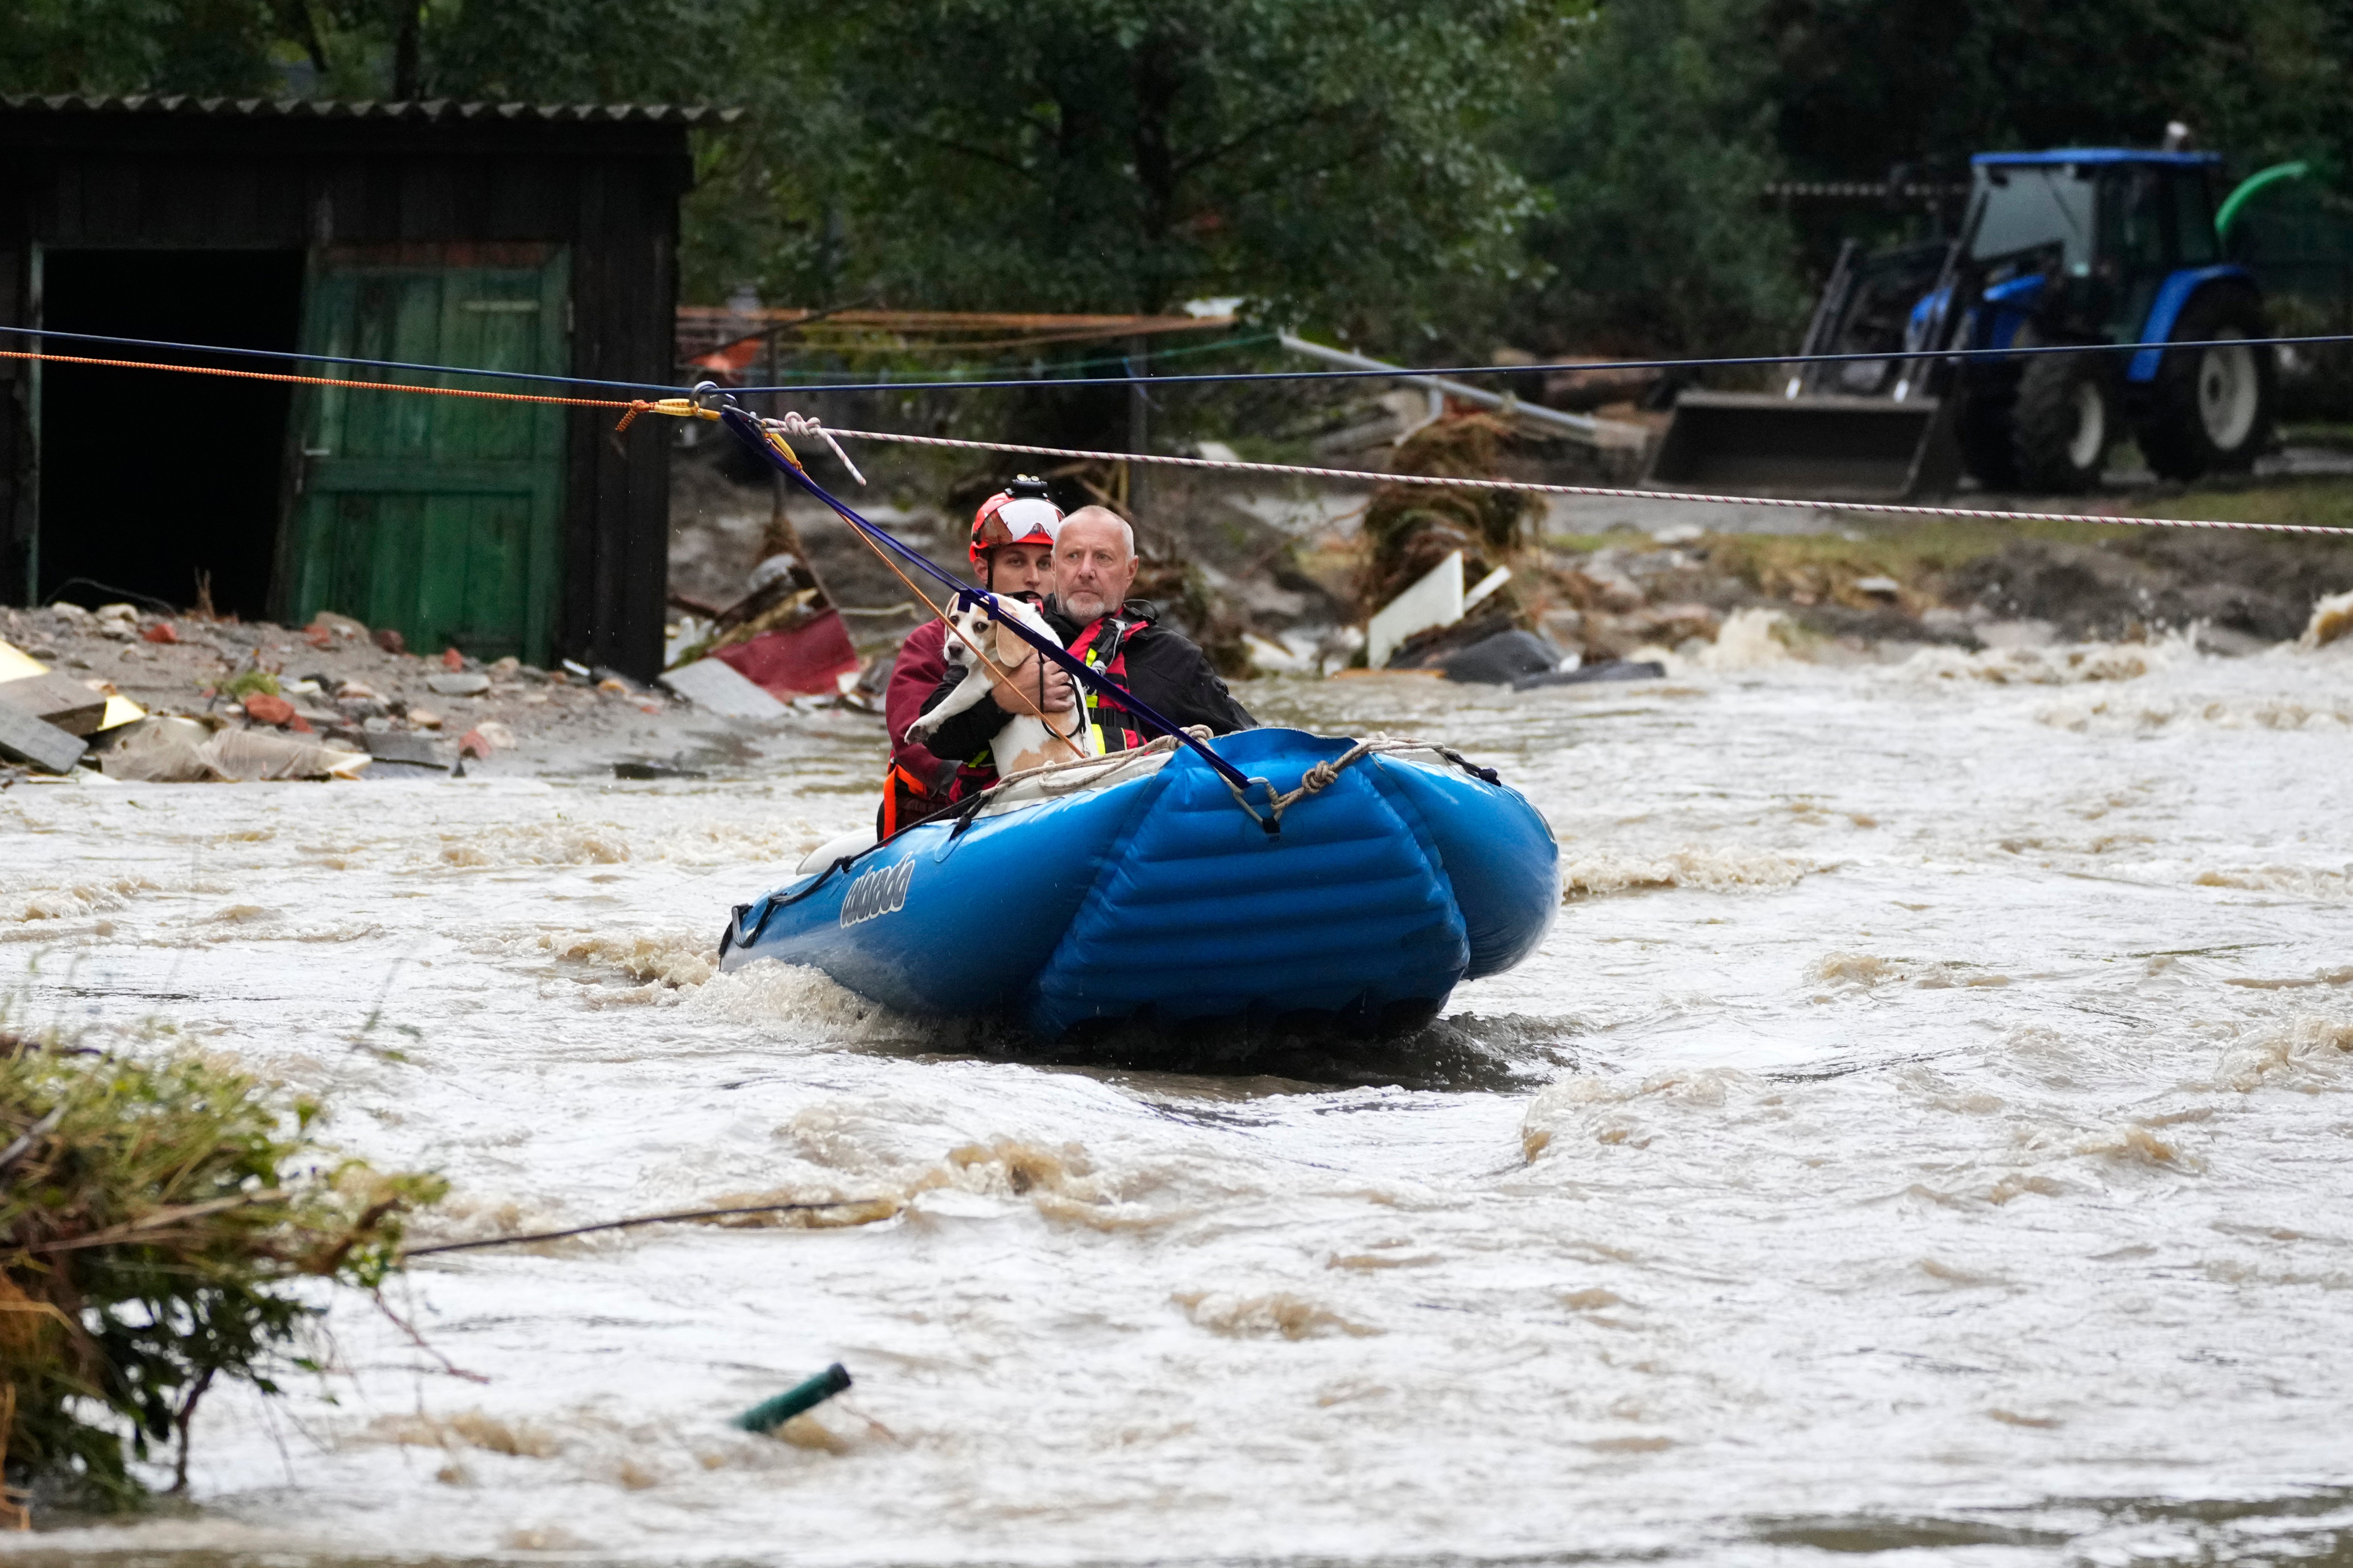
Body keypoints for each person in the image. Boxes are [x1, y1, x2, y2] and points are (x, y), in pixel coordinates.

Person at [917, 504, 1253, 795]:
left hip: (1126, 817)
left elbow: (1250, 744)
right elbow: (939, 741)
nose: (1086, 571)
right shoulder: (1005, 633)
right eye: (1073, 556)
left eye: (1103, 558)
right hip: (1013, 818)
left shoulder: (1174, 658)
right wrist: (1006, 700)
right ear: (1054, 565)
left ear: (1131, 571)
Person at [878, 478, 1068, 836]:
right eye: (1016, 561)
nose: (1033, 577)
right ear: (983, 570)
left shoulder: (1069, 639)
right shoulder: (933, 641)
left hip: (1051, 803)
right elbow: (911, 735)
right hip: (952, 815)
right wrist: (1003, 704)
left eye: (1046, 564)